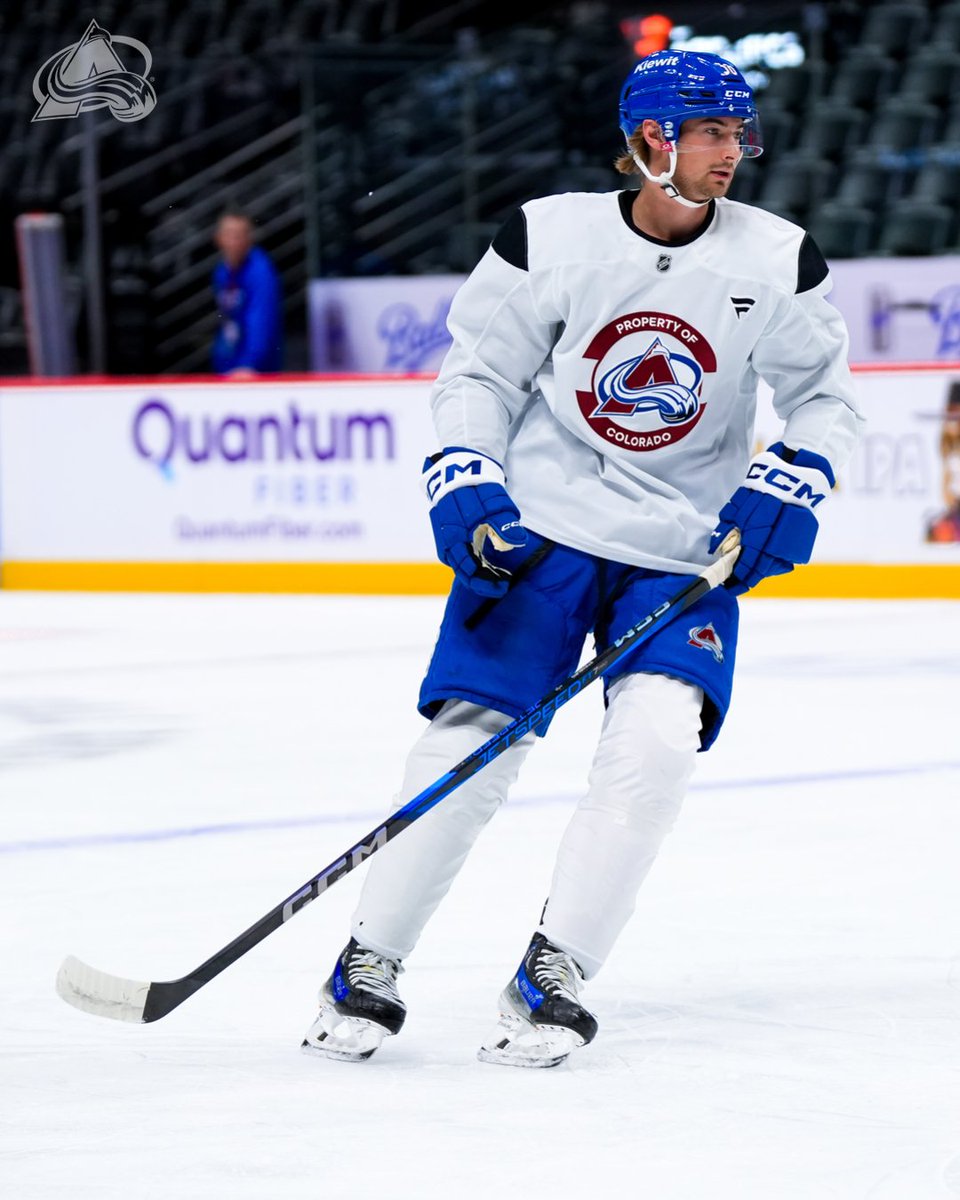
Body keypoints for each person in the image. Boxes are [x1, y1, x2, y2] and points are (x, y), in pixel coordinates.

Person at [301, 49, 863, 1067]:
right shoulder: (545, 236)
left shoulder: (774, 260)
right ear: (652, 141)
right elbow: (477, 371)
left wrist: (797, 476)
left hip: (679, 554)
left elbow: (825, 397)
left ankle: (554, 968)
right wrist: (467, 472)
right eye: (714, 134)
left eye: (740, 135)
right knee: (470, 746)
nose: (734, 153)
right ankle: (369, 959)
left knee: (655, 750)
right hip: (541, 536)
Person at [211, 209, 283, 376]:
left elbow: (260, 320)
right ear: (218, 239)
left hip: (253, 371)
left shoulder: (260, 272)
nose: (234, 242)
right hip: (227, 365)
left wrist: (249, 364)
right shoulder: (221, 271)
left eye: (239, 235)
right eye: (229, 234)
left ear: (249, 240)